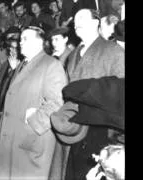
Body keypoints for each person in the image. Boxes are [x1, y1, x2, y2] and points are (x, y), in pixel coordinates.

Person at [50, 9, 124, 180]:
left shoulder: (113, 51)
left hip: (100, 132)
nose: (76, 23)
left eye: (82, 18)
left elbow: (120, 94)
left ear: (95, 22)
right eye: (75, 20)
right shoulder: (73, 54)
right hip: (73, 128)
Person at [0, 26, 67, 179]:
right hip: (12, 140)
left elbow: (57, 103)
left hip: (29, 140)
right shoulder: (22, 65)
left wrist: (34, 120)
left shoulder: (51, 65)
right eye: (20, 39)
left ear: (40, 43)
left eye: (25, 39)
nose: (20, 43)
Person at [0, 37, 22, 126]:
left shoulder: (23, 66)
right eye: (10, 47)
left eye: (15, 48)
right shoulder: (5, 63)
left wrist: (14, 70)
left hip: (11, 112)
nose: (11, 50)